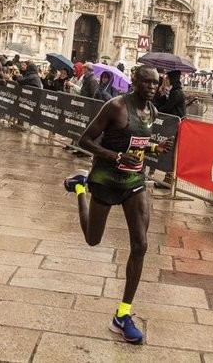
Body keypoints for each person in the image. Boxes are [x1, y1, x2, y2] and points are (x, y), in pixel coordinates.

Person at [62, 66, 173, 345]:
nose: (151, 87)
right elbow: (85, 140)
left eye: (156, 83)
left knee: (141, 245)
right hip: (105, 179)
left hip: (134, 182)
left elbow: (137, 143)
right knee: (92, 239)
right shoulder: (116, 106)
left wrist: (154, 149)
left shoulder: (153, 112)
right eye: (146, 82)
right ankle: (79, 188)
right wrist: (116, 157)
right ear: (134, 81)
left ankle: (123, 315)